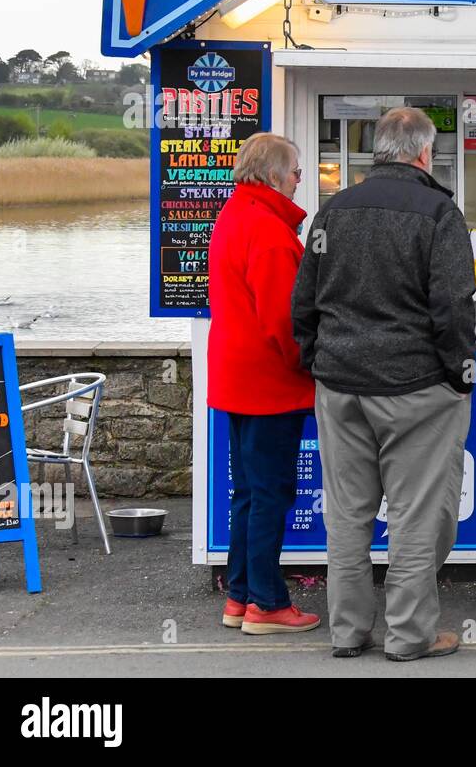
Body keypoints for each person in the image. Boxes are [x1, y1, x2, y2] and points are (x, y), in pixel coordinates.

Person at [291, 107, 476, 662]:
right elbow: (451, 305)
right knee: (415, 516)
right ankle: (409, 635)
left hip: (339, 383)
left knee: (346, 515)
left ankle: (347, 631)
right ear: (425, 154)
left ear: (378, 151)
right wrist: (457, 372)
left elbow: (305, 300)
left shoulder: (332, 210)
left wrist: (316, 361)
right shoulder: (439, 213)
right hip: (414, 384)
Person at [207, 133, 321, 636]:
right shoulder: (272, 232)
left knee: (249, 494)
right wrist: (312, 363)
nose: (300, 180)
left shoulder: (234, 215)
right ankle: (268, 604)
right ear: (275, 175)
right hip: (268, 384)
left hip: (236, 376)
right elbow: (284, 323)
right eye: (296, 171)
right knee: (271, 493)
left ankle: (239, 596)